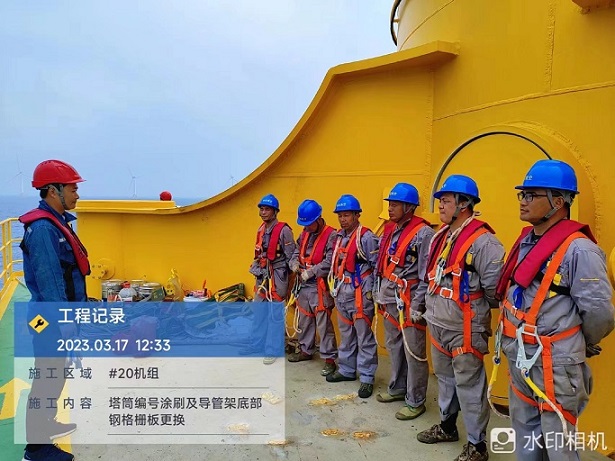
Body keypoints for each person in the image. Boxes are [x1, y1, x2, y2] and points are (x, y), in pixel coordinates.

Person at [495, 159, 614, 461]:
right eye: (522, 194)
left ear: (558, 202)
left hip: (555, 365)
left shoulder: (580, 250)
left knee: (559, 446)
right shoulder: (527, 241)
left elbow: (600, 313)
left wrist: (579, 342)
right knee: (526, 438)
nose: (523, 201)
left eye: (531, 195)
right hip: (521, 356)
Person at [417, 175, 504, 461]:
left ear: (464, 203)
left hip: (464, 327)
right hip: (439, 322)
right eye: (440, 201)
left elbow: (494, 290)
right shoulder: (441, 237)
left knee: (469, 385)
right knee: (445, 379)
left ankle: (477, 446)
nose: (440, 206)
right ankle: (447, 426)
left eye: (445, 201)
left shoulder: (485, 243)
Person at [19, 159, 89, 461]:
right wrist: (65, 321)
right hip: (47, 319)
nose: (77, 194)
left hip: (56, 317)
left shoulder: (57, 223)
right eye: (72, 189)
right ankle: (36, 449)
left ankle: (46, 423)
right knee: (47, 377)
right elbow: (50, 281)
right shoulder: (43, 230)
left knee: (57, 374)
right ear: (52, 191)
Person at [374, 183, 434, 420]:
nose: (390, 208)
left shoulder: (423, 234)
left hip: (409, 301)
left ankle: (415, 400)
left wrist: (418, 306)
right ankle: (398, 387)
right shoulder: (391, 230)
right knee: (395, 347)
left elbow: (425, 273)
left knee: (414, 352)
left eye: (395, 204)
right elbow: (382, 264)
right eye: (390, 204)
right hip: (390, 299)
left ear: (409, 207)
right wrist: (379, 293)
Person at [326, 194, 378, 398]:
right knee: (346, 334)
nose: (343, 219)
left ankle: (367, 377)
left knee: (364, 336)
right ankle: (347, 370)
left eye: (347, 215)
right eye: (340, 215)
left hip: (359, 292)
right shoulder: (338, 237)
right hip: (341, 290)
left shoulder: (366, 237)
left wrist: (371, 292)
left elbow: (376, 266)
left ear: (357, 215)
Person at [240, 194, 296, 364]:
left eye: (267, 209)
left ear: (275, 211)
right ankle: (256, 344)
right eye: (262, 209)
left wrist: (289, 280)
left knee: (275, 313)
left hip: (278, 275)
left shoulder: (284, 231)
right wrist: (256, 268)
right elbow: (258, 253)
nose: (263, 212)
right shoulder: (261, 230)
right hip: (262, 274)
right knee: (259, 311)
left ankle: (272, 349)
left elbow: (291, 257)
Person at [287, 199, 338, 376]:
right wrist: (294, 263)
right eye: (305, 224)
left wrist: (312, 272)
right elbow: (296, 251)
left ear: (318, 219)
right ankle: (305, 350)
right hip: (303, 285)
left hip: (319, 286)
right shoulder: (305, 233)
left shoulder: (332, 235)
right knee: (305, 320)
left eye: (309, 224)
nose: (306, 227)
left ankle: (329, 359)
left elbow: (330, 261)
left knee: (324, 324)